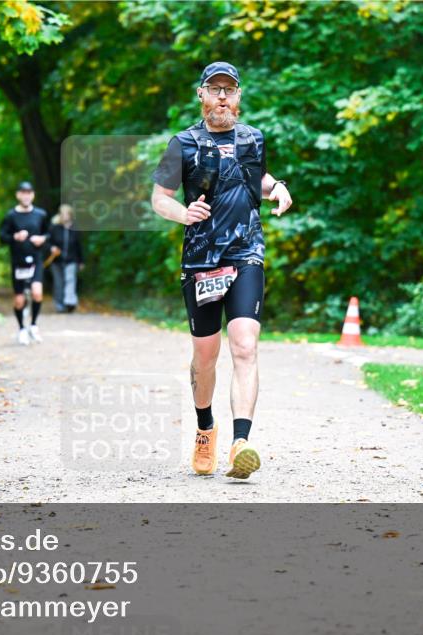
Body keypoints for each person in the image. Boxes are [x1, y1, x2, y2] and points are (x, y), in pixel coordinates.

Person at [150, 61, 293, 479]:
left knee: (245, 344)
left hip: (246, 251)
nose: (223, 97)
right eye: (215, 90)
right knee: (206, 356)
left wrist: (277, 186)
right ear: (201, 95)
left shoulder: (253, 139)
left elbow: (255, 178)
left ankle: (240, 443)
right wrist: (183, 212)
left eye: (230, 90)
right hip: (200, 260)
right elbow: (160, 198)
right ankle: (205, 429)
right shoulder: (184, 143)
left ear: (239, 96)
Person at [0, 181, 49, 345]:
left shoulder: (41, 214)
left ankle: (33, 325)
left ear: (33, 195)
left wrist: (42, 239)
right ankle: (22, 328)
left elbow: (49, 234)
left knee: (37, 293)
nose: (26, 195)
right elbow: (2, 237)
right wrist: (15, 237)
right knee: (19, 300)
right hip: (18, 262)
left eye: (29, 192)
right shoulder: (11, 216)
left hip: (36, 259)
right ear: (18, 195)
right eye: (23, 192)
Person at [48, 204, 84, 313]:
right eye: (62, 214)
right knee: (59, 283)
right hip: (56, 261)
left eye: (67, 214)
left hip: (71, 260)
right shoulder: (54, 228)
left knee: (70, 280)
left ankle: (70, 302)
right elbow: (47, 242)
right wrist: (51, 248)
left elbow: (79, 246)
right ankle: (60, 304)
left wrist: (81, 261)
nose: (64, 216)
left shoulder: (74, 229)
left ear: (70, 215)